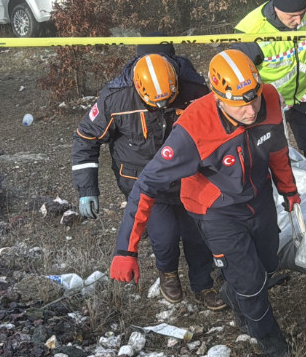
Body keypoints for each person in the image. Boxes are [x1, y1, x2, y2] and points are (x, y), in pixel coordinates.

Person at [111, 49, 302, 357]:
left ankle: (233, 294)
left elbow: (277, 149)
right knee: (251, 282)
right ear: (219, 97)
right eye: (240, 105)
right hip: (216, 210)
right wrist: (125, 249)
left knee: (268, 265)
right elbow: (147, 184)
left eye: (254, 100)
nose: (251, 111)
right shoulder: (193, 128)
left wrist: (288, 189)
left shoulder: (268, 99)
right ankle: (271, 343)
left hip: (257, 198)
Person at [73, 43, 221, 309]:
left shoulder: (195, 92)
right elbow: (85, 138)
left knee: (198, 235)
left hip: (190, 179)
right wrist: (87, 190)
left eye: (168, 100)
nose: (163, 106)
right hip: (145, 183)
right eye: (156, 103)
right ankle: (168, 273)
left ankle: (203, 284)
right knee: (164, 236)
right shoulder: (115, 100)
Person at [233, 0, 306, 174]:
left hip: (304, 95)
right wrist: (262, 95)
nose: (299, 21)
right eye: (292, 16)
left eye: (302, 14)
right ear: (276, 9)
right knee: (269, 156)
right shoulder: (250, 30)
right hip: (268, 102)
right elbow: (240, 74)